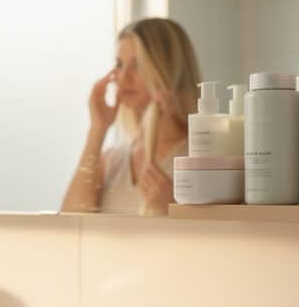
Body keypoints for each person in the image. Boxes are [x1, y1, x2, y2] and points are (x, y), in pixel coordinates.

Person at [62, 18, 202, 216]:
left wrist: (174, 210)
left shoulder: (200, 158)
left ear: (167, 70)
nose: (124, 77)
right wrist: (97, 130)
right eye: (119, 65)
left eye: (137, 65)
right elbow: (71, 225)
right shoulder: (111, 160)